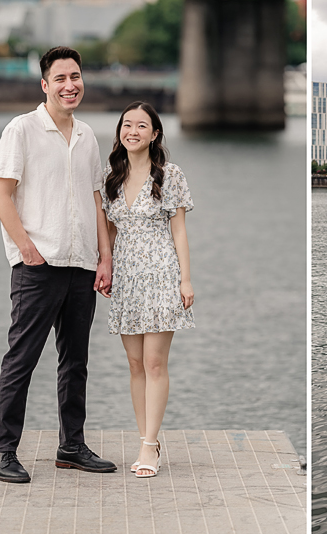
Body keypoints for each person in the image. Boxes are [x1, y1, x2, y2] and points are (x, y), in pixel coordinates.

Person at [0, 46, 117, 483]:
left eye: (76, 77)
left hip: (82, 265)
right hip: (37, 266)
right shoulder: (21, 129)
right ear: (45, 85)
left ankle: (71, 446)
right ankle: (4, 452)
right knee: (21, 359)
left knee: (75, 361)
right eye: (60, 78)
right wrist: (26, 248)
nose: (70, 85)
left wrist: (105, 258)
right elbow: (0, 194)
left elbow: (97, 201)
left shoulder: (87, 137)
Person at [100, 102, 194, 478]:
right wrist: (104, 268)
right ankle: (145, 437)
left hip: (160, 274)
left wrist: (185, 279)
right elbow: (108, 231)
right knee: (135, 364)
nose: (133, 131)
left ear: (155, 134)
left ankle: (149, 446)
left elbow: (180, 230)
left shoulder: (170, 175)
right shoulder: (111, 176)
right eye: (127, 125)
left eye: (142, 126)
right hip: (126, 277)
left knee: (155, 363)